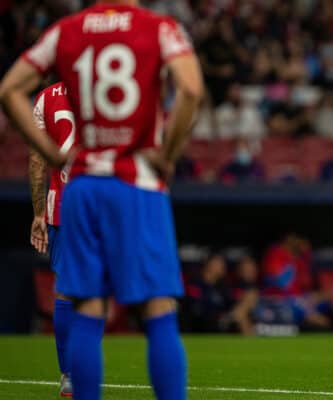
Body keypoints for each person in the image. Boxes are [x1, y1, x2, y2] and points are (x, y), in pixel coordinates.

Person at [0, 1, 203, 399]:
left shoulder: (66, 31)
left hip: (82, 187)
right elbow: (191, 89)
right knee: (158, 309)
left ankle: (72, 385)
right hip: (136, 182)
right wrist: (168, 154)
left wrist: (55, 154)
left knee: (87, 308)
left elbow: (9, 89)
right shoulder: (159, 28)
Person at [29, 81, 75, 397]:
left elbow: (35, 161)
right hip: (102, 202)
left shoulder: (46, 98)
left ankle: (68, 375)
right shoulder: (108, 88)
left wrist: (37, 214)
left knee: (65, 293)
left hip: (61, 206)